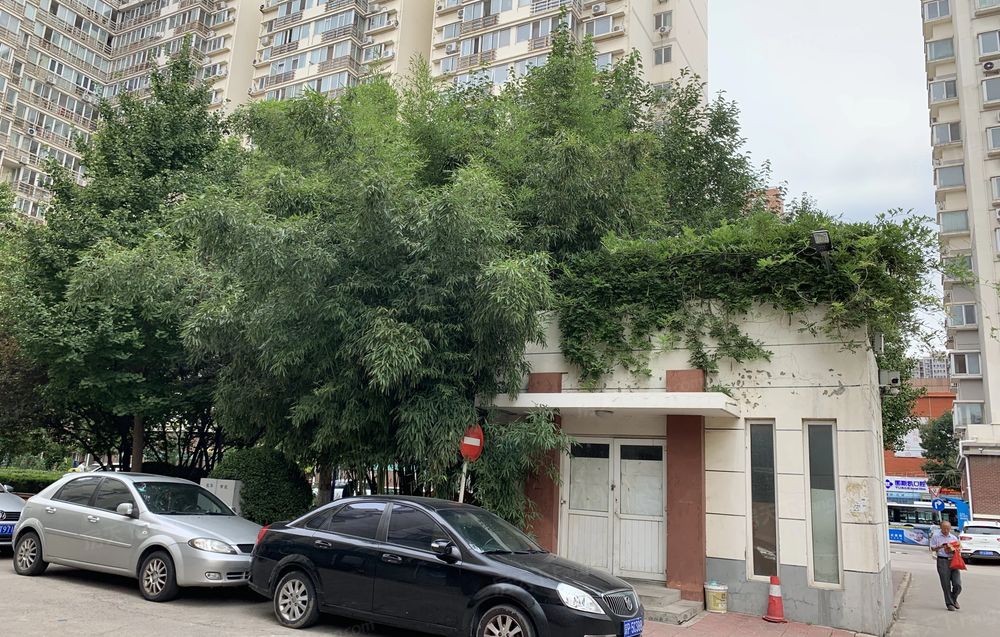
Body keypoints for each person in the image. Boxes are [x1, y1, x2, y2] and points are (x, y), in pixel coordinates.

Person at [928, 520, 962, 611]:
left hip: (953, 560)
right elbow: (932, 548)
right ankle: (949, 603)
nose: (946, 530)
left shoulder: (953, 537)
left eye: (948, 529)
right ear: (941, 528)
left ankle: (953, 599)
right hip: (942, 560)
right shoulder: (936, 537)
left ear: (950, 528)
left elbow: (958, 548)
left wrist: (953, 549)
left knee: (957, 584)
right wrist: (941, 546)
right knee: (946, 584)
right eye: (944, 529)